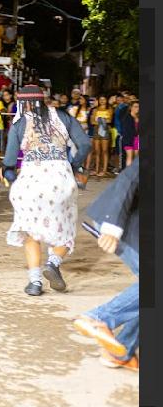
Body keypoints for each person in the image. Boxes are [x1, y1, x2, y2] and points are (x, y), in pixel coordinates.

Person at [1, 85, 91, 296]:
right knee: (65, 229)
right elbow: (85, 144)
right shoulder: (63, 116)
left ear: (23, 103)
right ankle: (53, 263)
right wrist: (74, 165)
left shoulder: (20, 123)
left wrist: (9, 176)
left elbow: (9, 162)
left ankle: (35, 282)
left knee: (30, 232)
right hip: (60, 180)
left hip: (30, 183)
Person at [72, 159, 139, 371]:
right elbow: (131, 177)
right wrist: (112, 226)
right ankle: (98, 318)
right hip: (121, 219)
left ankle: (119, 353)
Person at [90, 95, 113, 177]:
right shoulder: (95, 109)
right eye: (101, 99)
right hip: (96, 130)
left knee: (105, 150)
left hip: (105, 130)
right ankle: (96, 169)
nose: (102, 101)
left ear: (106, 100)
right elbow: (92, 121)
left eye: (104, 99)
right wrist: (103, 120)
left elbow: (110, 120)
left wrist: (99, 120)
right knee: (97, 150)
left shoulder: (109, 109)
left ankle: (104, 170)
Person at [121, 100, 139, 167]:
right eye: (135, 106)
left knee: (136, 157)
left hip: (137, 139)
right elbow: (128, 130)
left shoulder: (138, 117)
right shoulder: (127, 117)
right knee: (129, 156)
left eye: (139, 107)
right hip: (128, 139)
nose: (138, 108)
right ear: (131, 107)